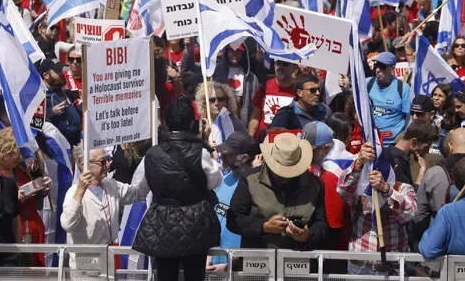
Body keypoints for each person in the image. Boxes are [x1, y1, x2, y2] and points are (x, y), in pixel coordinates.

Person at [133, 98, 222, 281]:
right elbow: (215, 182)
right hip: (196, 220)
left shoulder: (152, 154)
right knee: (195, 274)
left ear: (166, 123)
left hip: (162, 220)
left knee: (165, 274)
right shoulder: (200, 151)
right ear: (191, 123)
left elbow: (146, 185)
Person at [227, 132, 328, 250]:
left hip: (299, 258)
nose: (284, 176)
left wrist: (307, 235)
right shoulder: (249, 180)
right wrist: (264, 226)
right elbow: (234, 220)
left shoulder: (315, 184)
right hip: (258, 258)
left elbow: (321, 224)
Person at [61, 144, 148, 270]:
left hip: (110, 265)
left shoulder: (111, 185)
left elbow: (138, 193)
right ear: (84, 165)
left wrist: (151, 169)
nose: (107, 165)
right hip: (85, 271)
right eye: (102, 161)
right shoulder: (73, 193)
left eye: (107, 159)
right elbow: (67, 224)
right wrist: (79, 193)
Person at [338, 142, 417, 273]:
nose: (377, 174)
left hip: (393, 268)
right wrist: (358, 164)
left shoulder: (403, 189)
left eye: (383, 169)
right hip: (361, 267)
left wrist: (386, 190)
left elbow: (408, 213)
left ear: (394, 168)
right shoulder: (360, 189)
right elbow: (343, 191)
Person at [0, 129, 51, 266]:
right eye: (13, 153)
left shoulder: (22, 169)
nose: (17, 157)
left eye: (19, 152)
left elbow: (34, 200)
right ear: (2, 150)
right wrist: (12, 198)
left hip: (34, 229)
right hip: (14, 232)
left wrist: (42, 190)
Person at [209, 132, 258, 271]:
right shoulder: (223, 180)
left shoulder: (255, 187)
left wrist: (231, 266)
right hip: (213, 264)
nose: (222, 157)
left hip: (240, 269)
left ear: (244, 157)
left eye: (228, 154)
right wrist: (208, 256)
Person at [302, 122, 349, 249]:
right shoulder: (342, 156)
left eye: (310, 150)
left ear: (326, 148)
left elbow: (333, 225)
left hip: (338, 246)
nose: (305, 154)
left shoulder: (330, 175)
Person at [366, 51, 412, 146]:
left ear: (392, 69)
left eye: (382, 66)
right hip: (372, 142)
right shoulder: (367, 83)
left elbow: (408, 117)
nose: (377, 70)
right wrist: (346, 87)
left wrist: (404, 141)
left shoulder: (403, 88)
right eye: (376, 65)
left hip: (394, 143)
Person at [212, 44, 260, 124]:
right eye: (232, 50)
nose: (235, 53)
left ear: (243, 53)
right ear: (226, 51)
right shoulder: (216, 72)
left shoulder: (251, 77)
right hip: (220, 121)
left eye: (239, 51)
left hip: (242, 123)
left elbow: (255, 105)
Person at [249, 59, 298, 137]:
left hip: (287, 140)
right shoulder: (265, 86)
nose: (280, 67)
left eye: (285, 64)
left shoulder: (298, 90)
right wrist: (250, 137)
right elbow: (255, 117)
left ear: (294, 68)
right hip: (264, 139)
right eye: (278, 63)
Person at [40, 58, 82, 146]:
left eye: (61, 70)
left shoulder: (62, 89)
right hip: (58, 145)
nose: (61, 73)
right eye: (57, 71)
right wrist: (52, 112)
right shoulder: (40, 95)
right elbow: (35, 121)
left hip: (75, 141)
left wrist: (73, 95)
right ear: (46, 75)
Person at [386, 120, 439, 186]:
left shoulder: (391, 154)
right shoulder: (396, 164)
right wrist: (422, 171)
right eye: (426, 147)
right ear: (413, 142)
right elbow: (407, 192)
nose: (427, 152)